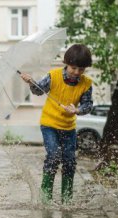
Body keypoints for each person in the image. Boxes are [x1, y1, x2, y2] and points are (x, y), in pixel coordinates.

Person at [20, 44, 93, 204]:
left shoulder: (86, 83)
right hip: (49, 124)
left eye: (81, 69)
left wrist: (77, 110)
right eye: (73, 68)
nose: (76, 72)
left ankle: (67, 199)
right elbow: (38, 91)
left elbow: (88, 105)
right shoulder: (53, 76)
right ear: (66, 63)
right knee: (53, 156)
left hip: (69, 127)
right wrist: (31, 82)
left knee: (69, 160)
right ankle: (46, 198)